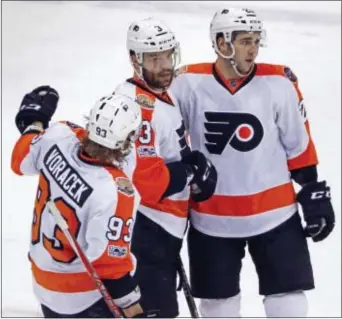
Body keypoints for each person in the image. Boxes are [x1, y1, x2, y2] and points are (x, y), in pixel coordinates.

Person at [169, 8, 335, 318]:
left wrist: (313, 191)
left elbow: (297, 146)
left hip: (275, 214)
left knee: (288, 302)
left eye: (256, 41)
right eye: (245, 41)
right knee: (218, 308)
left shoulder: (279, 82)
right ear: (221, 43)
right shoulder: (186, 82)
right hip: (212, 217)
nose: (253, 49)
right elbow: (165, 140)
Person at [113, 17, 217, 318]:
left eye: (168, 55)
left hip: (161, 229)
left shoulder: (160, 93)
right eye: (155, 58)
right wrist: (190, 171)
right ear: (136, 59)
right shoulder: (137, 107)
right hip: (145, 229)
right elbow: (147, 182)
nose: (165, 65)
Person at [11, 86, 145, 318]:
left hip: (43, 282)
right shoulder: (115, 192)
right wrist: (135, 311)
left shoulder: (59, 134)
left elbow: (20, 161)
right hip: (83, 297)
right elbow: (109, 265)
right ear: (125, 142)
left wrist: (35, 123)